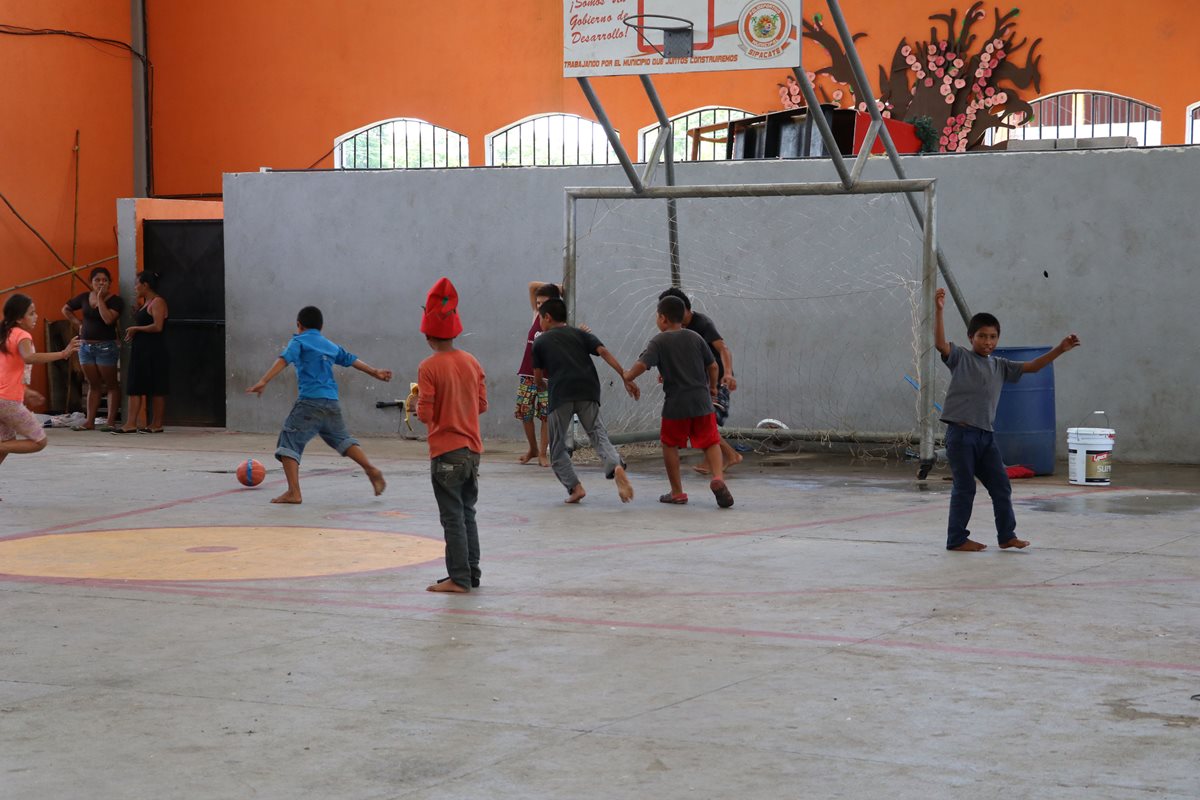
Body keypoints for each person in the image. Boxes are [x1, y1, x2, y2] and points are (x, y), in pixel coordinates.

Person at [935, 287, 1081, 552]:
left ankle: (1006, 535)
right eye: (982, 336)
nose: (988, 341)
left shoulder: (1000, 365)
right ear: (971, 337)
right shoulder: (960, 358)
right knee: (965, 488)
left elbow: (1034, 366)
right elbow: (940, 344)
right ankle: (956, 539)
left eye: (993, 337)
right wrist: (940, 310)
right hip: (961, 435)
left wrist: (1060, 349)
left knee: (1001, 486)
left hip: (985, 437)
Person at [246, 305, 391, 504]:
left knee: (288, 441)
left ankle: (293, 492)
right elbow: (351, 360)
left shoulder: (299, 341)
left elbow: (284, 359)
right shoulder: (329, 345)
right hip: (331, 402)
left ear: (299, 325)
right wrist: (375, 372)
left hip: (310, 402)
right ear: (321, 327)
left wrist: (264, 380)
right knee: (342, 439)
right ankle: (370, 468)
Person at [410, 277, 488, 593]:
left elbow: (426, 415)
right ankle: (471, 573)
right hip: (472, 449)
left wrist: (416, 403)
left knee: (452, 516)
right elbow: (481, 405)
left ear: (428, 335)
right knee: (467, 512)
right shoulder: (472, 362)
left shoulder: (428, 367)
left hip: (446, 450)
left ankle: (458, 578)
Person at [624, 295, 734, 509]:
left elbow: (643, 364)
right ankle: (718, 477)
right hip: (702, 400)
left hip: (676, 403)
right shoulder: (695, 336)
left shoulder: (659, 340)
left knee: (669, 444)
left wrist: (628, 376)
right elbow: (713, 366)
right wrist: (712, 387)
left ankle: (677, 492)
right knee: (710, 441)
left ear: (663, 318)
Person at [531, 297, 638, 504]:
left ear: (547, 317)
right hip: (588, 389)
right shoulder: (580, 334)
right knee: (597, 434)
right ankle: (615, 466)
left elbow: (537, 378)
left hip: (560, 393)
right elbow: (603, 351)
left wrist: (542, 387)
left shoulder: (540, 342)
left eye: (540, 320)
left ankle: (575, 488)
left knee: (557, 446)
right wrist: (624, 374)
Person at [657, 287, 742, 475]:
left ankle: (726, 456)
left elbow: (723, 348)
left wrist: (727, 373)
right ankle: (725, 456)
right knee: (702, 421)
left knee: (706, 420)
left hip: (717, 379)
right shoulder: (677, 329)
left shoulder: (702, 323)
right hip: (698, 382)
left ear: (685, 309)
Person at [1, 294, 80, 497]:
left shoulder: (5, 334)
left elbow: (7, 371)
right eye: (31, 313)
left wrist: (26, 391)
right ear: (19, 318)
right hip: (7, 401)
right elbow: (30, 357)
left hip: (6, 398)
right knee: (39, 441)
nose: (36, 316)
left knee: (6, 445)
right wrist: (63, 354)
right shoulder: (22, 335)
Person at [62, 267, 124, 430]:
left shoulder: (115, 301)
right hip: (85, 347)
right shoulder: (83, 297)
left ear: (110, 283)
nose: (101, 283)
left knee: (111, 384)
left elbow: (108, 319)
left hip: (106, 347)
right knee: (93, 384)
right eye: (97, 280)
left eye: (105, 280)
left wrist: (99, 298)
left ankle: (110, 422)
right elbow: (66, 308)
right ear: (91, 282)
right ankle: (89, 421)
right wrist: (78, 324)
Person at [116, 271, 169, 434]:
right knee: (135, 385)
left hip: (154, 350)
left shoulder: (158, 302)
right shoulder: (145, 303)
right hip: (141, 350)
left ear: (145, 285)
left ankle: (156, 423)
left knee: (157, 386)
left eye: (137, 283)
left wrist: (136, 328)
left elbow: (158, 326)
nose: (135, 287)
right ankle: (131, 423)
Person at [514, 281, 560, 467]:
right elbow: (532, 285)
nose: (540, 306)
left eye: (544, 303)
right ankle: (532, 448)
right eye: (538, 303)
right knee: (525, 412)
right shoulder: (535, 316)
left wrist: (558, 293)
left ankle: (542, 452)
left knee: (545, 415)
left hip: (548, 377)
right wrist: (558, 288)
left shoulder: (558, 323)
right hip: (528, 373)